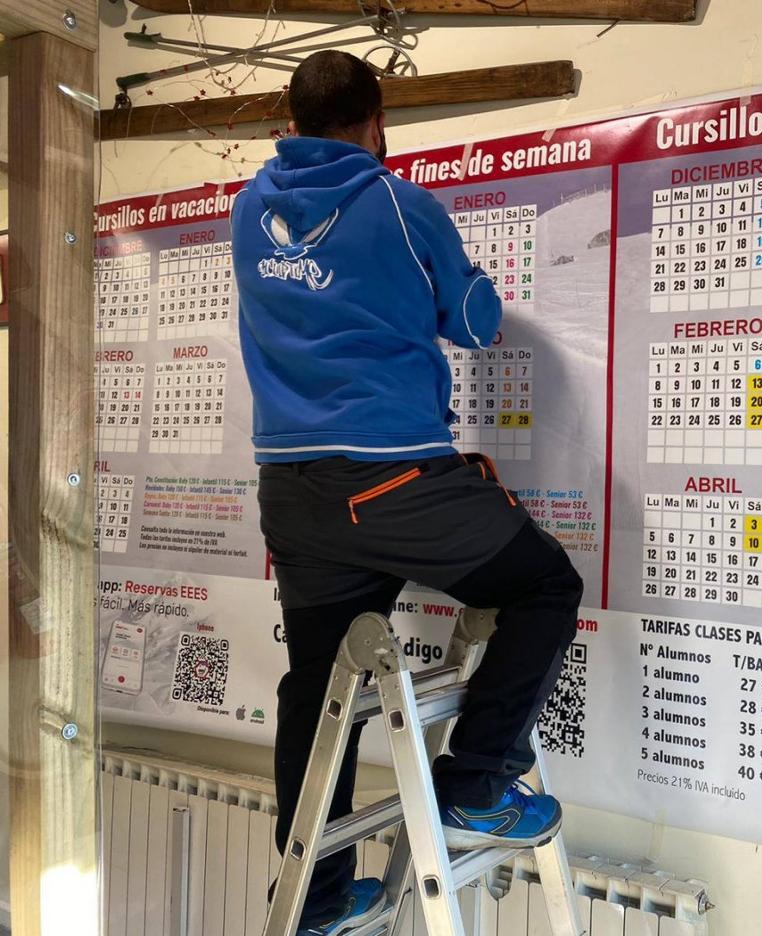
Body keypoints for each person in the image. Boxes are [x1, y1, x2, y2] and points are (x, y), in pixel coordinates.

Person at [231, 50, 582, 936]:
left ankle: (313, 895)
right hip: (391, 480)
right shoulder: (397, 200)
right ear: (377, 124)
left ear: (290, 119)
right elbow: (474, 323)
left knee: (318, 685)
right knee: (546, 586)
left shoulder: (247, 209)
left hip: (293, 490)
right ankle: (472, 787)